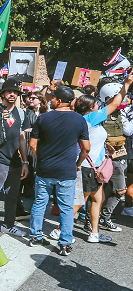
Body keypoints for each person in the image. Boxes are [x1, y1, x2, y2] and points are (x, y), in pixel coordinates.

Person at [28, 85, 90, 256]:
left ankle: (35, 236)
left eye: (53, 98)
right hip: (67, 171)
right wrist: (78, 163)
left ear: (59, 100)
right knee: (66, 208)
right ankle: (65, 243)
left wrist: (40, 158)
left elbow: (33, 144)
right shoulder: (79, 120)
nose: (51, 100)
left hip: (44, 169)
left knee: (40, 203)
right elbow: (86, 148)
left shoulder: (43, 118)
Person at [74, 74, 132, 243]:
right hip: (87, 167)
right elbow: (114, 103)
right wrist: (127, 83)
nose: (98, 105)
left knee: (98, 199)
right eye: (95, 104)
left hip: (93, 167)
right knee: (79, 202)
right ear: (90, 108)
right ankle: (61, 231)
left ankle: (94, 232)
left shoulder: (87, 119)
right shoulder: (91, 118)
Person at [0, 78, 30, 236]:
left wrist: (25, 161)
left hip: (15, 160)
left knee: (12, 194)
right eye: (9, 91)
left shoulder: (21, 113)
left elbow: (22, 137)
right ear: (1, 94)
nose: (12, 94)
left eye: (15, 92)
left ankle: (8, 224)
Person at [97, 80, 129, 231]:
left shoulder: (104, 111)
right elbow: (129, 131)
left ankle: (97, 219)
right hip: (111, 158)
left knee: (105, 190)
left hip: (115, 156)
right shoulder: (107, 114)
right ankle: (103, 218)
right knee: (119, 189)